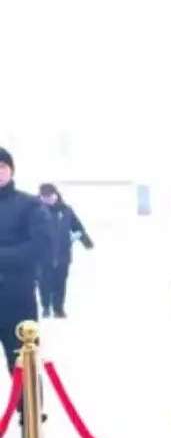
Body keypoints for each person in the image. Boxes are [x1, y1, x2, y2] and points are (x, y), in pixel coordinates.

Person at [0, 147, 50, 373]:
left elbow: (40, 246)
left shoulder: (30, 205)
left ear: (11, 170)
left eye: (2, 167)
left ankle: (29, 408)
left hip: (17, 299)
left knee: (22, 365)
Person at [35, 183, 94, 318]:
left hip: (62, 254)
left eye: (50, 196)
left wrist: (86, 241)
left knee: (60, 282)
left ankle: (58, 309)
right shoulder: (35, 211)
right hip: (42, 255)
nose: (48, 199)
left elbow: (77, 227)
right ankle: (46, 307)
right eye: (45, 197)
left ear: (56, 195)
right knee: (44, 283)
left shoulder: (66, 210)